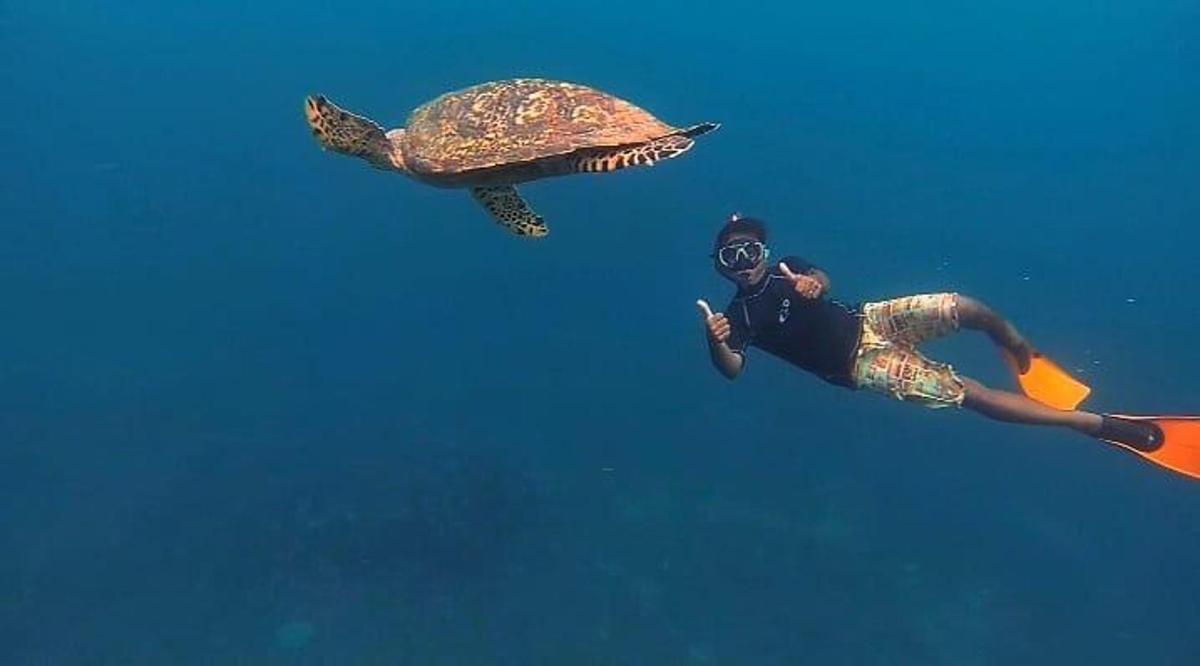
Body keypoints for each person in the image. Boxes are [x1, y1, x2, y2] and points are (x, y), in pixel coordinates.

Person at [696, 213, 1200, 478]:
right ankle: (1099, 425)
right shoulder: (738, 316)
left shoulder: (789, 269)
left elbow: (819, 276)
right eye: (732, 255)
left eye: (751, 249)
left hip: (870, 319)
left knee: (967, 306)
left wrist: (815, 284)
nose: (744, 260)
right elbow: (733, 369)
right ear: (721, 266)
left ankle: (1017, 345)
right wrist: (716, 342)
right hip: (858, 365)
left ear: (765, 250)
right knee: (972, 393)